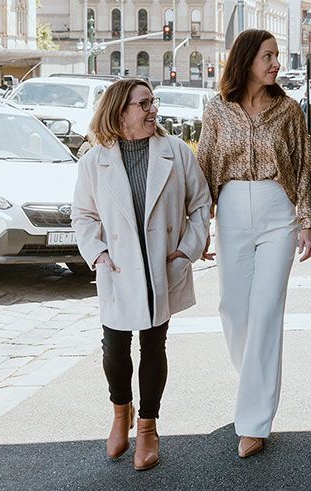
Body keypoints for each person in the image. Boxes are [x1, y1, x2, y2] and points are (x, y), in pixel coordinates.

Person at [71, 79, 211, 471]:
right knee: (114, 348)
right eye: (144, 104)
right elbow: (82, 215)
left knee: (153, 344)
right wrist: (97, 254)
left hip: (161, 265)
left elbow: (200, 204)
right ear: (120, 112)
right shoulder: (93, 161)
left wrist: (187, 250)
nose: (154, 110)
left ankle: (148, 427)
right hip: (116, 268)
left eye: (154, 101)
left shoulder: (176, 152)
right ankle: (121, 413)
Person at [197, 28, 311, 459]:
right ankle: (254, 381)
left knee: (265, 312)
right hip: (229, 209)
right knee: (233, 308)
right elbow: (204, 166)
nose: (276, 63)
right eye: (268, 56)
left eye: (277, 56)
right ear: (246, 59)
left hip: (276, 209)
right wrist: (200, 227)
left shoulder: (288, 110)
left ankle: (253, 420)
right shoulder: (217, 110)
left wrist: (305, 221)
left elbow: (304, 165)